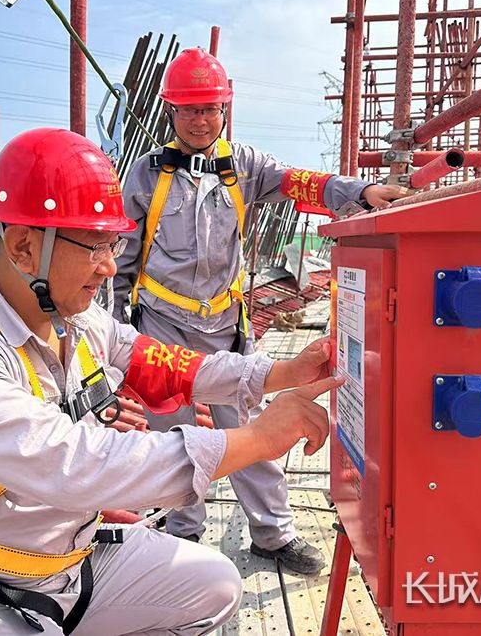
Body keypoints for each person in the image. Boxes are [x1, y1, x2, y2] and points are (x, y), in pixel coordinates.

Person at [0, 128, 340, 636]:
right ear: (24, 247)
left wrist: (279, 373)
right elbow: (74, 464)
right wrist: (257, 439)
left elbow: (165, 363)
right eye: (95, 246)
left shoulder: (75, 318)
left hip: (65, 561)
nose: (111, 267)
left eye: (114, 244)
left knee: (213, 585)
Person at [113, 47, 408, 575]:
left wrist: (362, 190)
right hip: (161, 325)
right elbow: (122, 258)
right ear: (171, 112)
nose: (200, 120)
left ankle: (273, 534)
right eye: (189, 110)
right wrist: (117, 329)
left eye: (210, 109)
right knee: (171, 434)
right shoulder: (144, 176)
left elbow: (303, 183)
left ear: (224, 110)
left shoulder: (244, 166)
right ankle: (182, 534)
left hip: (224, 327)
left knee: (251, 425)